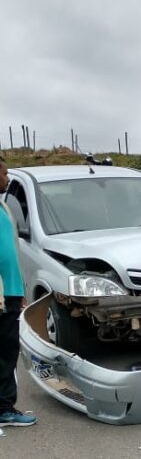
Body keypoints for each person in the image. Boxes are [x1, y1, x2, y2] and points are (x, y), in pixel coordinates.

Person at [0, 157, 37, 427]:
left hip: (10, 293)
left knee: (7, 351)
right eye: (3, 174)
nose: (8, 179)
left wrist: (20, 289)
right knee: (4, 353)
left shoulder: (3, 207)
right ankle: (4, 409)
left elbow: (10, 253)